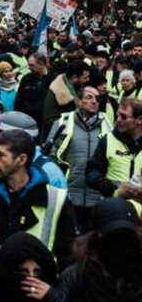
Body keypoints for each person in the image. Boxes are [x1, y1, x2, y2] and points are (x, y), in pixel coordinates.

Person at [0, 129, 77, 272]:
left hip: (33, 288)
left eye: (1, 155)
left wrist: (53, 292)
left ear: (21, 159)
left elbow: (68, 256)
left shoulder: (57, 200)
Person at [46, 86, 112, 231]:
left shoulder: (108, 126)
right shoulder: (62, 123)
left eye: (97, 98)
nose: (94, 101)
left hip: (97, 198)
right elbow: (51, 157)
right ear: (78, 101)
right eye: (89, 97)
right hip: (68, 195)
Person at [58, 197, 142, 302]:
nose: (119, 243)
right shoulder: (76, 276)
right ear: (96, 236)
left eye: (127, 235)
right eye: (113, 236)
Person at [86, 97, 142, 202]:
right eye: (118, 115)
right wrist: (115, 189)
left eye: (123, 117)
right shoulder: (107, 140)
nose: (118, 120)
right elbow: (91, 174)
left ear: (139, 120)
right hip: (114, 208)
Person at [42, 60, 91, 139]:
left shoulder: (78, 87)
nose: (88, 79)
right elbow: (50, 120)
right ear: (74, 77)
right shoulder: (56, 92)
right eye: (85, 77)